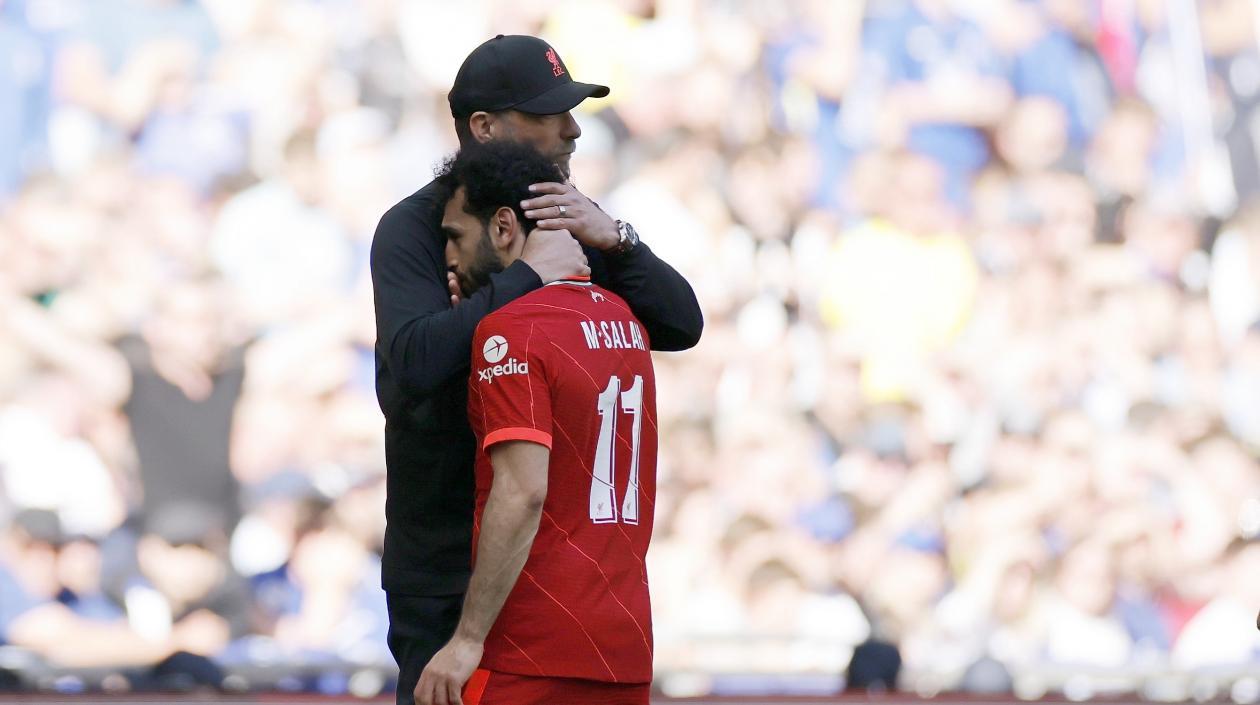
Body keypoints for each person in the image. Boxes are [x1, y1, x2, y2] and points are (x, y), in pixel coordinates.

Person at [370, 35, 701, 705]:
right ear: (484, 128)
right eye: (547, 113)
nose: (572, 129)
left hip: (540, 577)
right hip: (444, 566)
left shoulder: (569, 221)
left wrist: (618, 238)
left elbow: (680, 323)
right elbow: (414, 362)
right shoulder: (413, 228)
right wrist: (525, 277)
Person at [416, 140, 657, 705]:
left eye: (455, 235)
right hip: (623, 646)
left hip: (530, 651)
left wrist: (467, 640)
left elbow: (523, 490)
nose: (447, 256)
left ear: (503, 227)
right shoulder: (627, 322)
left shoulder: (512, 331)